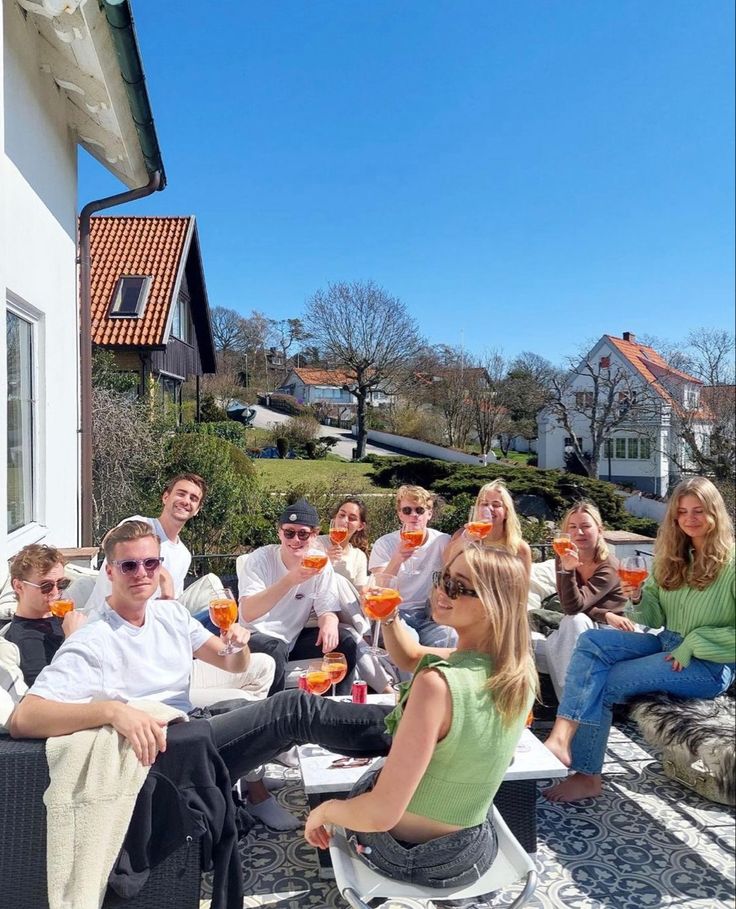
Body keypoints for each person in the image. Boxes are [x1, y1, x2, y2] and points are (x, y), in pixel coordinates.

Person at [9, 520, 393, 784]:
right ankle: (407, 730)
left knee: (260, 709)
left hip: (190, 723)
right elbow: (25, 719)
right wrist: (112, 711)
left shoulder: (169, 614)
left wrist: (237, 645)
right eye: (129, 565)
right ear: (109, 572)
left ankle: (381, 758)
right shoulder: (93, 635)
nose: (142, 572)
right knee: (292, 709)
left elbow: (232, 663)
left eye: (150, 562)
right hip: (166, 751)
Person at [305, 545, 537, 887]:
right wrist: (388, 614)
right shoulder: (518, 671)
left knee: (366, 775)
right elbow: (411, 655)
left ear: (493, 605)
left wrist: (323, 811)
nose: (441, 591)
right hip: (472, 850)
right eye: (443, 579)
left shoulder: (437, 685)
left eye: (458, 587)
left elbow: (381, 815)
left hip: (410, 854)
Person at [544, 476, 735, 803]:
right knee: (592, 642)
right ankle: (561, 736)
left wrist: (694, 643)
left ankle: (587, 774)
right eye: (682, 511)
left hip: (708, 664)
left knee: (602, 683)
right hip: (668, 643)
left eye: (699, 510)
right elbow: (654, 618)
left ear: (715, 513)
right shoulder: (673, 558)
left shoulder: (731, 564)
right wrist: (636, 598)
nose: (689, 518)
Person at [239, 499, 359, 695]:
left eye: (303, 534)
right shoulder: (260, 559)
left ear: (314, 536)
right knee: (275, 648)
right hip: (254, 637)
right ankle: (274, 717)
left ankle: (336, 709)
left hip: (291, 640)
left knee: (345, 641)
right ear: (279, 533)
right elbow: (248, 612)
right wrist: (290, 580)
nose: (296, 540)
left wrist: (329, 622)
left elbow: (326, 609)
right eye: (289, 532)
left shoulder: (320, 563)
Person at [535, 501, 628, 700]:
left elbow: (572, 607)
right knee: (570, 625)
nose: (580, 532)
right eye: (573, 527)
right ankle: (571, 703)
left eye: (586, 526)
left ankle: (573, 705)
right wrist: (604, 613)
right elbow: (569, 605)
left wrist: (568, 571)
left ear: (599, 530)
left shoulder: (609, 566)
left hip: (611, 631)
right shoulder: (565, 556)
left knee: (574, 622)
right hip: (585, 624)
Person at [319, 497, 394, 694]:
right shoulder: (318, 545)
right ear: (334, 519)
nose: (344, 521)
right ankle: (389, 689)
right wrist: (324, 561)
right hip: (321, 612)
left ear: (360, 526)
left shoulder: (358, 556)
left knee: (356, 636)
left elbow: (361, 592)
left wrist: (371, 594)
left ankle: (393, 691)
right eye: (341, 515)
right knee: (336, 581)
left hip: (347, 614)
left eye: (352, 518)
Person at [368, 485, 451, 647]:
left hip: (429, 615)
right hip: (395, 613)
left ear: (429, 514)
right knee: (409, 643)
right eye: (407, 511)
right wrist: (397, 558)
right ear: (400, 515)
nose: (414, 515)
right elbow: (380, 588)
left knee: (450, 637)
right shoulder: (385, 544)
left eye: (419, 510)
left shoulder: (442, 541)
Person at [5, 545, 87, 686]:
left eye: (62, 584)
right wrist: (73, 639)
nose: (56, 592)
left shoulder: (59, 617)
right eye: (46, 586)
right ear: (18, 586)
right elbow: (47, 689)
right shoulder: (26, 638)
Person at [444, 480, 532, 578]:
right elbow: (446, 562)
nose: (489, 508)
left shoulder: (520, 548)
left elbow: (523, 589)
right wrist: (466, 538)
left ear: (507, 512)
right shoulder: (463, 535)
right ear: (478, 509)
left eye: (496, 505)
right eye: (484, 504)